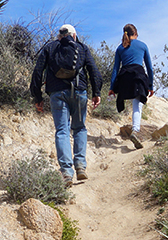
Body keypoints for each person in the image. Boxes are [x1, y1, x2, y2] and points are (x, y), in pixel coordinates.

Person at [30, 24, 102, 185]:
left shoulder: (50, 48)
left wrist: (37, 96)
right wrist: (96, 93)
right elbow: (94, 71)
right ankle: (81, 166)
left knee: (62, 131)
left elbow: (37, 72)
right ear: (74, 36)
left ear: (59, 36)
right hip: (79, 92)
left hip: (57, 93)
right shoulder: (82, 47)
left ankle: (66, 172)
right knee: (80, 128)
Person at [107, 23, 154, 149]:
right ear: (136, 34)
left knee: (130, 101)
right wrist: (151, 85)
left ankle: (134, 131)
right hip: (138, 76)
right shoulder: (143, 45)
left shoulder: (120, 48)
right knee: (137, 105)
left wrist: (112, 87)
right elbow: (149, 68)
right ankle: (135, 131)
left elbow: (115, 69)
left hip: (124, 78)